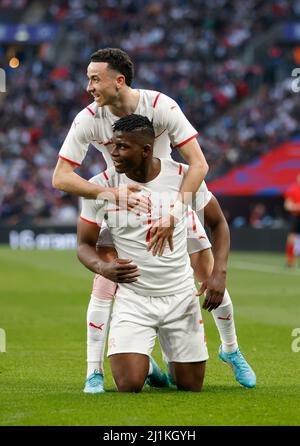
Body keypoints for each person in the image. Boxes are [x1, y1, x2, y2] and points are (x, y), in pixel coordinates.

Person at [52, 48, 255, 393]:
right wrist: (110, 194)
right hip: (119, 200)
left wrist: (176, 211)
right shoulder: (88, 119)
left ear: (120, 80)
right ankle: (96, 370)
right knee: (106, 277)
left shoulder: (162, 106)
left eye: (94, 78)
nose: (88, 86)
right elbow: (60, 177)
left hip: (171, 195)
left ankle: (231, 349)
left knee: (207, 274)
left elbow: (199, 165)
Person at [77, 115, 209, 392]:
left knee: (190, 385)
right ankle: (147, 365)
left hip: (180, 295)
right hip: (134, 299)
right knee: (128, 384)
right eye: (112, 145)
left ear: (146, 150)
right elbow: (84, 245)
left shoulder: (183, 177)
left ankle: (180, 356)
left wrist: (218, 274)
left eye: (122, 147)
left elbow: (218, 223)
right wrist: (103, 269)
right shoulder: (99, 186)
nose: (113, 152)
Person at [284, 174, 300, 268]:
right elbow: (287, 205)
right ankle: (290, 262)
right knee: (292, 238)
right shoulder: (293, 190)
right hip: (296, 217)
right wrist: (297, 207)